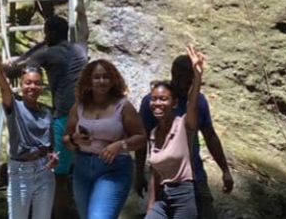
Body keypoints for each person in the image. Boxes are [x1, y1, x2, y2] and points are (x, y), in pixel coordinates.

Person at [4, 15, 88, 219]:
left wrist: (36, 47)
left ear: (49, 34)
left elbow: (13, 69)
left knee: (58, 179)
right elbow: (84, 34)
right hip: (87, 118)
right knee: (79, 175)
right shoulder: (80, 50)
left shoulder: (50, 53)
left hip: (65, 120)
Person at [136, 53, 234, 219]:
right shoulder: (154, 104)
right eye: (186, 80)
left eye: (191, 81)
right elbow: (142, 138)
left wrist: (225, 170)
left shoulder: (194, 107)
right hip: (162, 179)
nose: (188, 85)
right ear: (175, 75)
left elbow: (209, 135)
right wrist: (138, 173)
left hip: (192, 176)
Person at [62, 59, 147, 219]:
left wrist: (120, 145)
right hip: (82, 168)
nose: (102, 81)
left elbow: (141, 138)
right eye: (97, 77)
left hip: (113, 168)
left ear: (113, 80)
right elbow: (65, 140)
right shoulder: (79, 106)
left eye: (106, 77)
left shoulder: (123, 106)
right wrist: (75, 139)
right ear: (89, 81)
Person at [0, 43, 57, 219]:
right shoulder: (14, 107)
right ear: (22, 85)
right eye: (28, 83)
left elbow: (51, 148)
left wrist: (53, 157)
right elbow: (4, 88)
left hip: (44, 173)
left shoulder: (46, 113)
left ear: (41, 87)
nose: (32, 87)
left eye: (37, 83)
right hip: (20, 173)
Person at [143, 44, 207, 219]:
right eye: (154, 99)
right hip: (163, 197)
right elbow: (156, 173)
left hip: (185, 196)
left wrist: (197, 75)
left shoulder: (184, 125)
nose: (157, 103)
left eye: (163, 99)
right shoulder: (154, 133)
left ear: (174, 103)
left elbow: (192, 105)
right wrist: (150, 208)